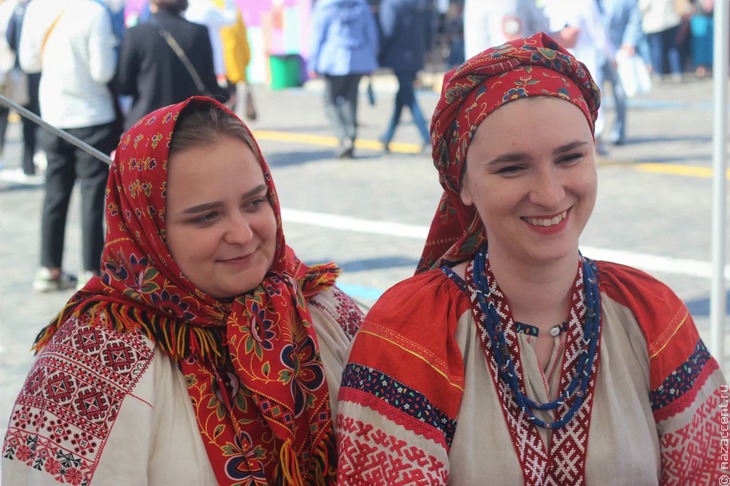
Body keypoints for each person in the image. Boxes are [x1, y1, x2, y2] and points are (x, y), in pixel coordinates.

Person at [336, 33, 726, 484]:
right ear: (462, 184)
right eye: (512, 167)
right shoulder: (410, 332)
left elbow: (709, 471)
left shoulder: (652, 314)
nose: (549, 193)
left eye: (570, 157)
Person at [2, 96, 364, 484]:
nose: (243, 234)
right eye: (206, 217)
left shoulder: (319, 307)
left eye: (254, 202)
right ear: (148, 228)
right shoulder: (90, 362)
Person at [19, 0, 120, 292]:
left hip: (53, 113)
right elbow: (103, 71)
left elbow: (29, 62)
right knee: (92, 195)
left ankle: (48, 268)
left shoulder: (36, 8)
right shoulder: (94, 12)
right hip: (93, 114)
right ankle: (90, 271)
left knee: (55, 191)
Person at [116, 0, 228, 130]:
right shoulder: (199, 32)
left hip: (147, 124)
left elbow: (124, 85)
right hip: (188, 124)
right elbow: (209, 82)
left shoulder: (135, 34)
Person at [308, 0, 379, 159]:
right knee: (350, 99)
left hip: (333, 59)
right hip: (358, 59)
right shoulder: (361, 6)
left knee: (330, 101)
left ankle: (343, 137)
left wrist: (313, 63)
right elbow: (371, 34)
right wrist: (371, 58)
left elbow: (318, 36)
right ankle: (351, 136)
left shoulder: (324, 6)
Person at [377, 0, 432, 154]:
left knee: (409, 97)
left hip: (398, 56)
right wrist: (426, 50)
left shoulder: (391, 3)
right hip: (416, 54)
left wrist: (379, 54)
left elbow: (387, 30)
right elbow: (429, 28)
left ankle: (428, 140)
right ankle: (388, 136)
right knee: (402, 97)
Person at [596, 0, 643, 146]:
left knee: (621, 95)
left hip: (619, 52)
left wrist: (629, 43)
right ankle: (596, 134)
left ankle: (618, 132)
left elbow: (634, 21)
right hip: (596, 52)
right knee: (594, 95)